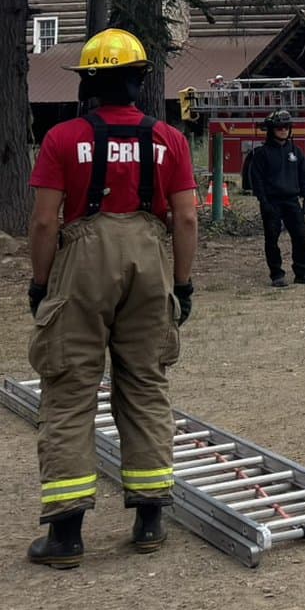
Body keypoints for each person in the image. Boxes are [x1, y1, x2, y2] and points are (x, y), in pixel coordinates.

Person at [25, 29, 198, 569]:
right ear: (140, 80)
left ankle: (67, 535)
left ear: (89, 84)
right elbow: (187, 217)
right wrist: (184, 283)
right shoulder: (169, 139)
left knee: (70, 389)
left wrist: (41, 281)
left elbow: (44, 220)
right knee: (145, 385)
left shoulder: (62, 138)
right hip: (149, 262)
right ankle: (149, 521)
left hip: (82, 261)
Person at [242, 109, 305, 288]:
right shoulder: (261, 153)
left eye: (286, 127)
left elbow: (303, 175)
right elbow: (256, 179)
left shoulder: (296, 152)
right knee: (272, 238)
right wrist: (263, 201)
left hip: (292, 200)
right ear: (271, 130)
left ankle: (301, 272)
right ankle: (276, 274)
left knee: (300, 236)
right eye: (279, 127)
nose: (283, 130)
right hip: (272, 201)